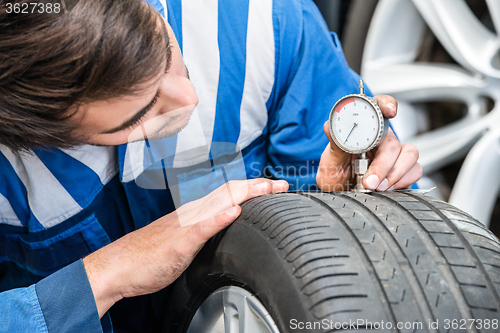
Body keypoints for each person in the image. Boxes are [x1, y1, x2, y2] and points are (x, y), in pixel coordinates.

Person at [0, 0, 421, 332]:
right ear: (38, 136)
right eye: (141, 113)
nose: (189, 97)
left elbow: (397, 280)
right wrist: (108, 273)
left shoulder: (261, 24)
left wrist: (346, 205)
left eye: (164, 48)